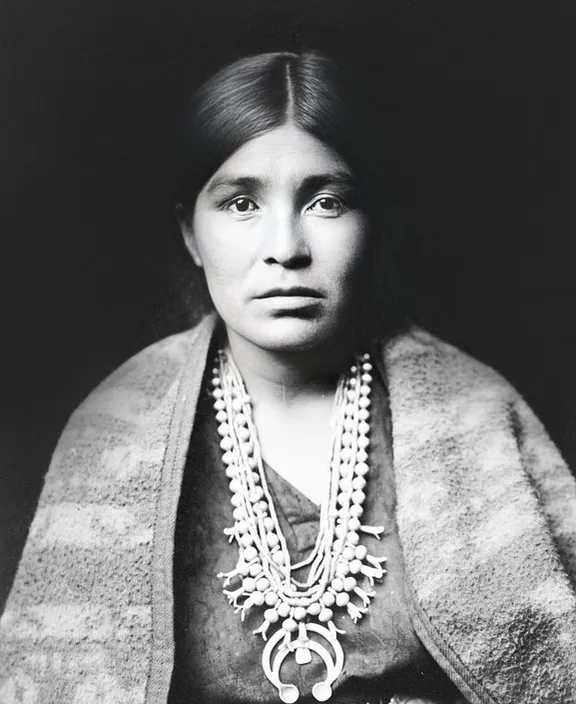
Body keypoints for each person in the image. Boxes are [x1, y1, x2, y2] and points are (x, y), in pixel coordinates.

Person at [1, 50, 576, 704]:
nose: (286, 246)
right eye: (241, 203)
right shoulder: (113, 431)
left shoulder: (475, 417)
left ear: (374, 223)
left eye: (327, 201)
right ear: (191, 233)